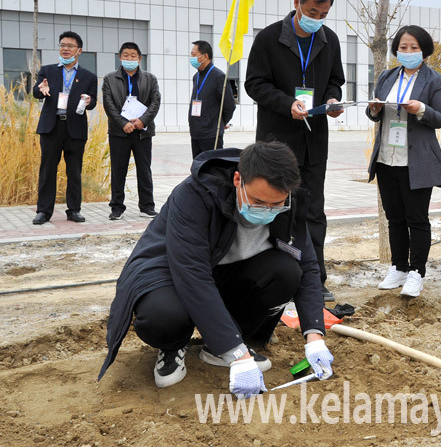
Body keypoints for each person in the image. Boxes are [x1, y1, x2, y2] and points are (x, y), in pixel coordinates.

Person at [98, 141, 333, 398]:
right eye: (257, 201)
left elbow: (308, 264)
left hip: (225, 273)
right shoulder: (195, 195)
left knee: (286, 271)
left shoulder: (287, 200)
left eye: (276, 204)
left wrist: (314, 336)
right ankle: (174, 345)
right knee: (163, 316)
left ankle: (220, 344)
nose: (267, 211)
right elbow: (193, 276)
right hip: (170, 273)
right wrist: (239, 356)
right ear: (237, 179)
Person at [245, 0, 345, 303]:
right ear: (297, 2)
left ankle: (315, 279)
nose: (317, 18)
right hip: (277, 143)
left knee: (313, 211)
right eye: (313, 10)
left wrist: (332, 101)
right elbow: (254, 84)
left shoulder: (329, 40)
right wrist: (286, 103)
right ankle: (277, 277)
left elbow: (335, 81)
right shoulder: (269, 38)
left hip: (314, 142)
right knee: (278, 209)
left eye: (324, 13)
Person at [367, 25, 441, 298]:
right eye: (403, 47)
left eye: (414, 47)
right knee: (394, 217)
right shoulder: (387, 76)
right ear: (396, 50)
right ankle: (398, 266)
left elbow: (440, 117)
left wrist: (421, 109)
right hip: (387, 157)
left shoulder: (435, 80)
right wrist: (374, 109)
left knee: (417, 218)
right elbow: (375, 114)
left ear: (424, 49)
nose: (408, 52)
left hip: (417, 159)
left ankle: (417, 272)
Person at [32, 31, 98, 225]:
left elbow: (93, 102)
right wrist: (40, 90)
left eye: (70, 46)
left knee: (74, 171)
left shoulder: (88, 76)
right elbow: (37, 91)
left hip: (75, 129)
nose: (65, 49)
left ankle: (74, 209)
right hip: (51, 127)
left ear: (79, 51)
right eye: (62, 45)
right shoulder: (48, 70)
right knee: (47, 170)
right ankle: (44, 211)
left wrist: (89, 100)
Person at [102, 42, 161, 220]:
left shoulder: (150, 79)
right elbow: (108, 104)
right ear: (120, 57)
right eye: (126, 55)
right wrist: (122, 123)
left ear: (139, 58)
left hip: (142, 131)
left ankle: (147, 206)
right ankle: (117, 207)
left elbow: (155, 102)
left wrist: (142, 121)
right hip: (119, 132)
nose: (129, 58)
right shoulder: (110, 79)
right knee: (118, 170)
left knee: (144, 169)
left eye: (133, 55)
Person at [188, 40, 236, 158]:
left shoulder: (218, 77)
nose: (191, 58)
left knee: (212, 170)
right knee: (198, 168)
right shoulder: (197, 76)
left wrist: (220, 122)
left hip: (211, 133)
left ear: (205, 56)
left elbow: (229, 105)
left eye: (194, 55)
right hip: (195, 132)